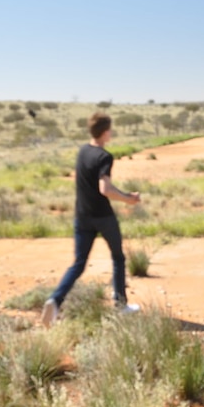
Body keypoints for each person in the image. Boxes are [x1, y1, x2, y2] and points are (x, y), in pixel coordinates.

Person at [41, 112, 141, 328]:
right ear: (105, 131)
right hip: (103, 217)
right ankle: (120, 304)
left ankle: (55, 300)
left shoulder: (83, 152)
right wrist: (128, 199)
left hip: (82, 216)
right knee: (118, 257)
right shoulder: (104, 156)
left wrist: (122, 194)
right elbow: (104, 189)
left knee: (78, 264)